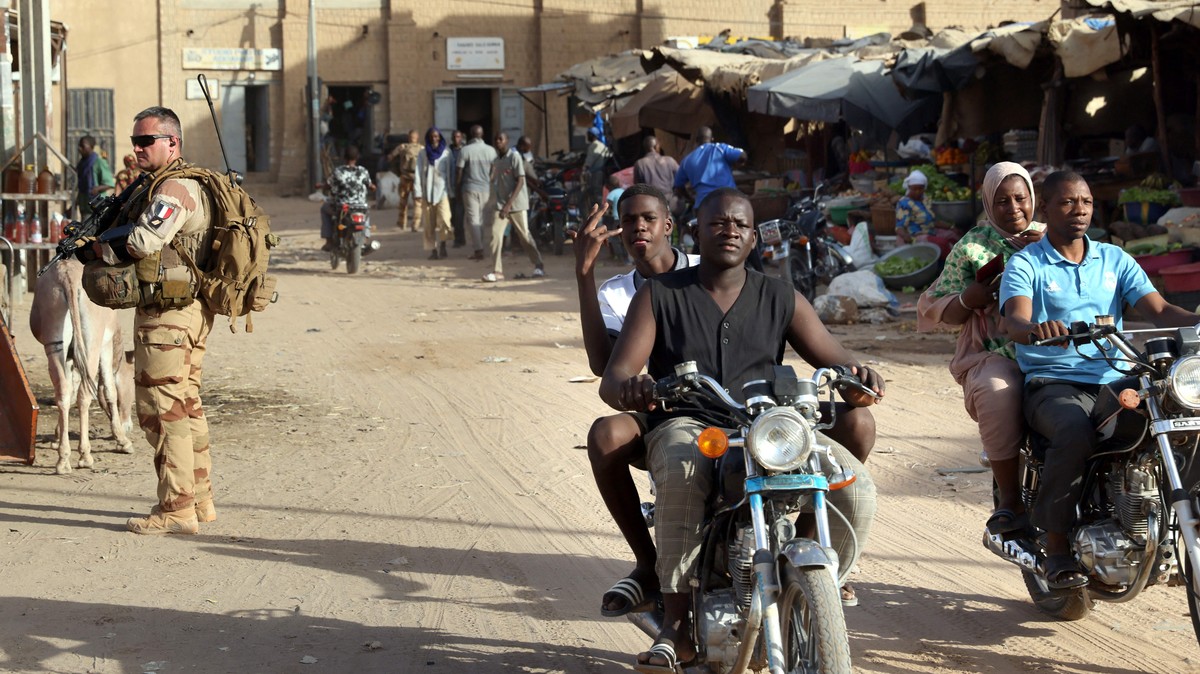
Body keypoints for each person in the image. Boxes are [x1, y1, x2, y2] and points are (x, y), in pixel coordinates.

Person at [600, 187, 883, 669]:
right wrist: (632, 388)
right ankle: (676, 623)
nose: (729, 230)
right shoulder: (659, 294)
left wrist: (858, 376)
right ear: (694, 231)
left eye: (740, 225)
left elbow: (835, 359)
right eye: (718, 223)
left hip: (768, 424)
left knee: (851, 481)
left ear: (754, 239)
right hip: (689, 422)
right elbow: (616, 375)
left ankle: (818, 563)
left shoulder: (780, 295)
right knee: (681, 466)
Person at [1000, 170, 1198, 588]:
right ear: (1046, 209)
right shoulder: (1027, 262)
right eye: (1068, 202)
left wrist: (1198, 322)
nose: (1080, 210)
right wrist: (1036, 329)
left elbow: (1159, 311)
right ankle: (1055, 548)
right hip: (1054, 382)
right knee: (1074, 431)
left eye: (1086, 202)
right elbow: (1013, 317)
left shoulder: (1114, 259)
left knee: (1178, 419)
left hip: (1116, 376)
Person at [95, 107, 218, 534]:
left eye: (146, 141)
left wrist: (99, 248)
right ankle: (199, 500)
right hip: (186, 311)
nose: (138, 148)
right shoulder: (180, 182)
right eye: (135, 141)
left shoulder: (176, 188)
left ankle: (176, 508)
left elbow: (144, 241)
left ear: (173, 142)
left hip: (169, 317)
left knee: (162, 410)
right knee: (186, 403)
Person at [917, 162, 1045, 534]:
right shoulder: (972, 246)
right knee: (997, 392)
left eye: (1020, 198)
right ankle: (1010, 499)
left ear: (1032, 198)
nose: (1014, 208)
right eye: (1002, 201)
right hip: (997, 351)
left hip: (1054, 344)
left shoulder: (1052, 237)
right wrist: (969, 298)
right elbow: (939, 306)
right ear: (989, 203)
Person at [482, 132, 543, 283]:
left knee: (524, 236)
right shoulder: (496, 161)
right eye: (496, 139)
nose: (498, 142)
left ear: (507, 141)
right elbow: (494, 181)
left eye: (501, 139)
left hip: (516, 205)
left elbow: (521, 181)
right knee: (495, 237)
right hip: (500, 205)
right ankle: (497, 271)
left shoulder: (514, 157)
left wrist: (508, 205)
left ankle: (538, 264)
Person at [672, 126, 746, 216]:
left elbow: (678, 188)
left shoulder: (687, 160)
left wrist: (691, 200)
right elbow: (742, 156)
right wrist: (737, 165)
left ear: (696, 141)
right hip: (729, 201)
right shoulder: (720, 148)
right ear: (712, 139)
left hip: (703, 205)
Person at [319, 145, 375, 253]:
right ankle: (365, 238)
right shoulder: (363, 171)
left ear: (344, 158)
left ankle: (329, 240)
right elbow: (370, 185)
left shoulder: (338, 171)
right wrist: (372, 187)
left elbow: (329, 184)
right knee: (365, 213)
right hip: (360, 206)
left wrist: (323, 186)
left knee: (324, 209)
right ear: (357, 157)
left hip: (343, 206)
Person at [895, 169, 961, 259]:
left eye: (920, 188)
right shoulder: (904, 203)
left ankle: (959, 259)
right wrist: (905, 236)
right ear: (909, 188)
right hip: (916, 235)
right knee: (942, 243)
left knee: (955, 236)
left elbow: (933, 221)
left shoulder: (925, 199)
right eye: (914, 189)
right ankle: (951, 264)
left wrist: (951, 227)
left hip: (931, 231)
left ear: (924, 188)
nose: (918, 191)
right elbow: (899, 227)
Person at [456, 125, 496, 261]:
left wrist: (457, 187)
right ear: (482, 134)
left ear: (470, 135)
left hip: (469, 188)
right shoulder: (491, 151)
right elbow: (494, 169)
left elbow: (459, 171)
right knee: (481, 219)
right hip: (485, 189)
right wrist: (488, 180)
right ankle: (481, 247)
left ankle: (479, 250)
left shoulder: (465, 150)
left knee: (473, 219)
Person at [414, 127, 453, 260]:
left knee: (445, 220)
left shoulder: (447, 153)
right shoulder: (423, 153)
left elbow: (451, 172)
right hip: (427, 193)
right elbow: (418, 173)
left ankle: (443, 245)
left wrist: (452, 190)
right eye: (431, 137)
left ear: (440, 137)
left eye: (436, 136)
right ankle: (433, 250)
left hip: (443, 192)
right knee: (429, 225)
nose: (434, 139)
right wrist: (418, 191)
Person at [633, 136, 680, 219]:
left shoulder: (640, 164)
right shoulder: (669, 160)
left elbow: (638, 187)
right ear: (656, 147)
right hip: (672, 202)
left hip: (652, 203)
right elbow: (681, 178)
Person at [387, 129, 423, 231]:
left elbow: (390, 157)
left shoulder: (402, 147)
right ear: (417, 138)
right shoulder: (422, 148)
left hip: (405, 178)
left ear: (409, 137)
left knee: (403, 202)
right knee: (418, 203)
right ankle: (415, 225)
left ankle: (402, 224)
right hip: (417, 179)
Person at [76, 135, 115, 218]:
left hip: (96, 207)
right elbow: (81, 185)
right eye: (79, 146)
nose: (79, 148)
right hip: (84, 206)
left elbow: (110, 183)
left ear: (91, 146)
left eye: (83, 146)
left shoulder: (99, 162)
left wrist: (97, 188)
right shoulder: (81, 164)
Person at [581, 127, 612, 217]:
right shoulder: (603, 146)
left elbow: (589, 162)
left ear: (591, 135)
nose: (587, 136)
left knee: (595, 194)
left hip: (596, 174)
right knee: (599, 193)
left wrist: (584, 169)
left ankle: (597, 215)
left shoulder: (592, 146)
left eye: (588, 134)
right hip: (603, 173)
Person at [448, 130, 467, 248]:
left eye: (458, 137)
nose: (456, 139)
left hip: (462, 187)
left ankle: (459, 239)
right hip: (451, 187)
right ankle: (459, 237)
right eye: (454, 137)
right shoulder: (447, 151)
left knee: (459, 215)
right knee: (452, 216)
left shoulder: (465, 151)